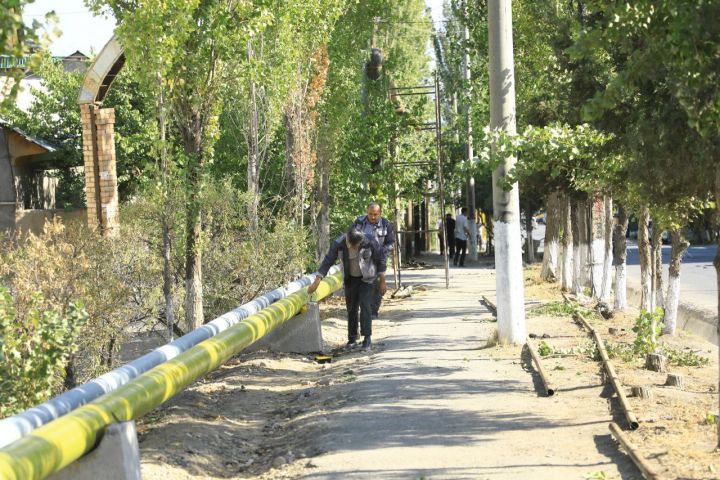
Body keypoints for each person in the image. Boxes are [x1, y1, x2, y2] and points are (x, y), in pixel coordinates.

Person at [308, 227, 387, 351]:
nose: (353, 247)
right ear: (347, 240)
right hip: (350, 279)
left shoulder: (370, 241)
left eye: (356, 246)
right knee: (351, 308)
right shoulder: (339, 243)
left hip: (367, 279)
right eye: (351, 244)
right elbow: (328, 261)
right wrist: (317, 281)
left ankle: (367, 339)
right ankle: (352, 339)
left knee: (365, 306)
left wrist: (382, 280)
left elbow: (381, 259)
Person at [352, 203, 395, 320]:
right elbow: (351, 238)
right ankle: (363, 310)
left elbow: (391, 243)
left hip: (378, 258)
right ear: (367, 212)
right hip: (361, 259)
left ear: (380, 213)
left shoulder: (386, 224)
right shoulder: (359, 222)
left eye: (375, 214)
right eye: (370, 214)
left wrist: (381, 251)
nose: (372, 217)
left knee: (377, 285)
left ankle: (373, 312)